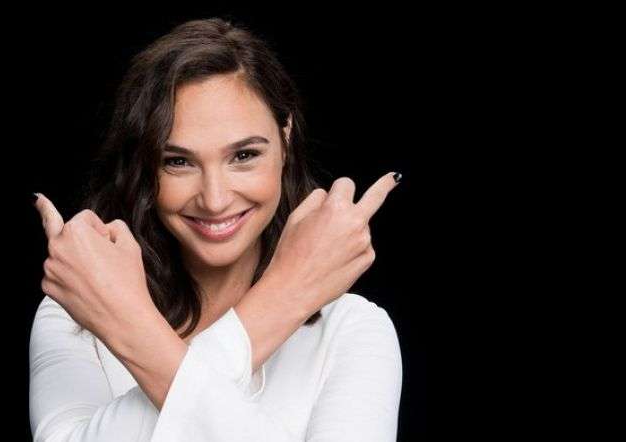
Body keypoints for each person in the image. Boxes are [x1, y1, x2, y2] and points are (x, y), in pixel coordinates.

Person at [29, 17, 402, 441]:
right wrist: (283, 299)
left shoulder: (352, 329)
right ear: (145, 166)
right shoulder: (75, 311)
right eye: (178, 161)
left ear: (285, 139)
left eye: (243, 156)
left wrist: (131, 330)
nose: (214, 199)